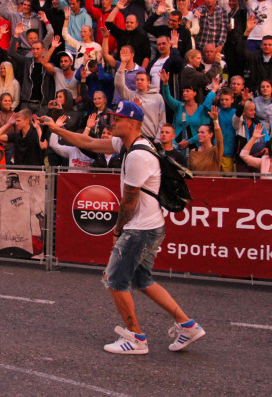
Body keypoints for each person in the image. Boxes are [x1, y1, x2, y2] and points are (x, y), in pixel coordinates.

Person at [41, 101, 205, 354]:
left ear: (132, 123)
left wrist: (118, 232)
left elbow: (129, 201)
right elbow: (89, 143)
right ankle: (188, 325)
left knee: (114, 279)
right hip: (150, 226)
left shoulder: (138, 155)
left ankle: (136, 338)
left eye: (117, 118)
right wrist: (56, 129)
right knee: (142, 279)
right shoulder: (130, 145)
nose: (112, 122)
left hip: (140, 228)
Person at [188, 106, 223, 173]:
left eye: (202, 132)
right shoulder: (193, 152)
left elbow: (220, 141)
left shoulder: (215, 151)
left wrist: (215, 121)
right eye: (198, 132)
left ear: (211, 134)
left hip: (213, 182)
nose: (199, 134)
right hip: (197, 182)